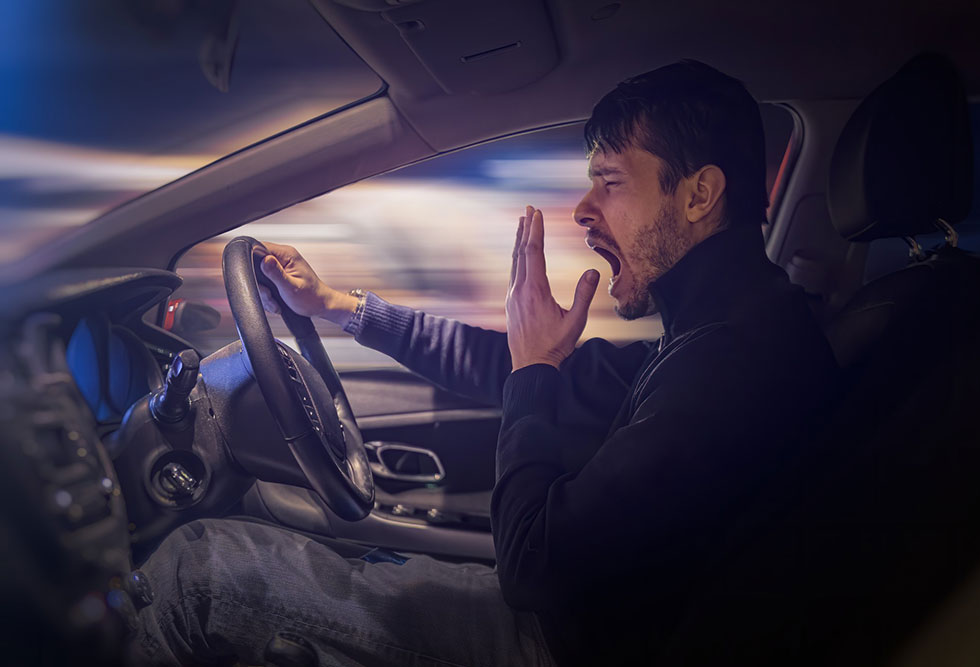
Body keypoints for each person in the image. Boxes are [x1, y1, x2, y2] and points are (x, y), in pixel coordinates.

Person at [132, 61, 838, 666]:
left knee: (199, 570)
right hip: (582, 621)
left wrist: (535, 373)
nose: (583, 210)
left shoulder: (731, 364)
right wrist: (337, 305)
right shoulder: (718, 328)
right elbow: (504, 367)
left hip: (562, 644)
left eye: (611, 183)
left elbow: (532, 566)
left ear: (698, 194)